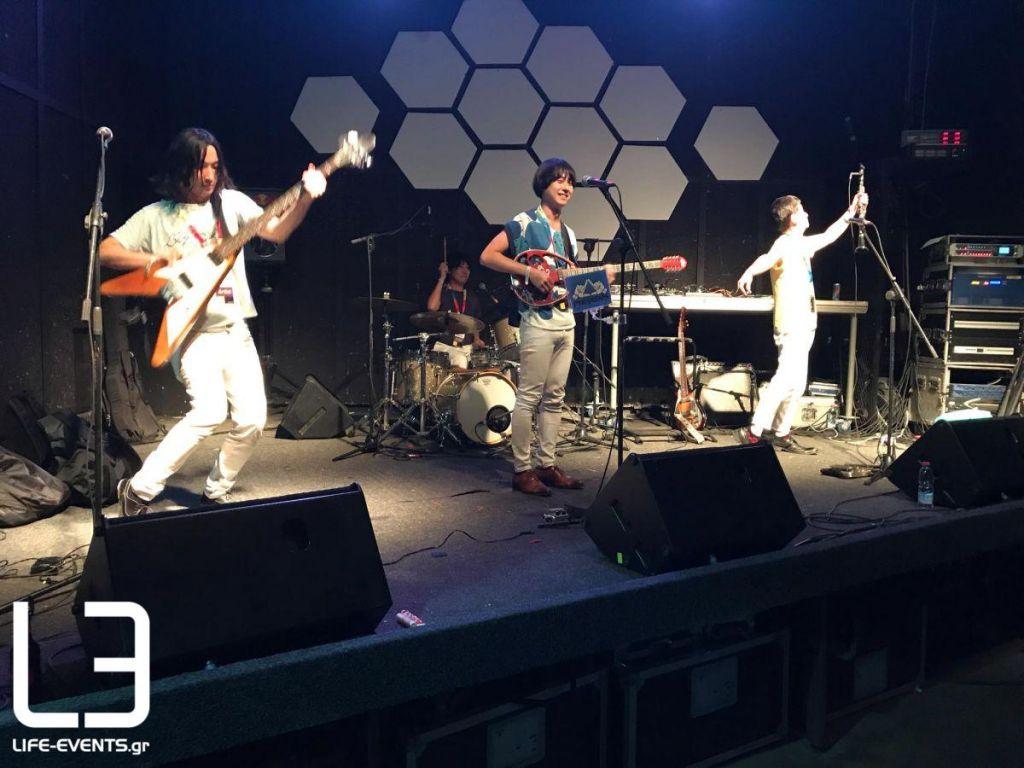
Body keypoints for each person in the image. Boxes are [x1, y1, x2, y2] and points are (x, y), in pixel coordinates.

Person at [99, 127, 326, 515]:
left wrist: (305, 197)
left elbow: (277, 231)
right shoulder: (156, 216)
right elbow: (106, 251)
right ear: (181, 168)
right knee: (208, 412)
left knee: (252, 420)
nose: (209, 176)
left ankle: (215, 491)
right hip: (193, 335)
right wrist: (152, 260)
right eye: (200, 167)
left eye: (214, 166)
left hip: (235, 331)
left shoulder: (231, 204)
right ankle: (138, 489)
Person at [480, 158, 613, 496]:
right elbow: (488, 256)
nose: (566, 186)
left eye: (569, 181)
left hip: (566, 321)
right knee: (529, 396)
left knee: (555, 397)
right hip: (536, 321)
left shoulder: (569, 234)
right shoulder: (524, 223)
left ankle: (547, 464)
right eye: (559, 180)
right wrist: (529, 272)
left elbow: (569, 282)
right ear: (543, 185)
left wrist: (601, 278)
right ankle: (522, 470)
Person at [735, 190, 868, 454]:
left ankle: (781, 432)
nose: (807, 214)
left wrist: (851, 211)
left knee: (796, 383)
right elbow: (766, 258)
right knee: (785, 378)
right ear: (793, 217)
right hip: (791, 322)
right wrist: (749, 272)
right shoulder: (785, 243)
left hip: (805, 321)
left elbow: (829, 235)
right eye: (802, 210)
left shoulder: (801, 244)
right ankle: (754, 431)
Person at [426, 250, 487, 351]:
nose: (465, 271)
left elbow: (475, 323)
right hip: (445, 348)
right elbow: (432, 308)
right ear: (450, 270)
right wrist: (442, 277)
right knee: (459, 357)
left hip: (466, 348)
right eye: (460, 267)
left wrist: (477, 339)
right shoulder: (443, 291)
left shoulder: (472, 297)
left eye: (467, 268)